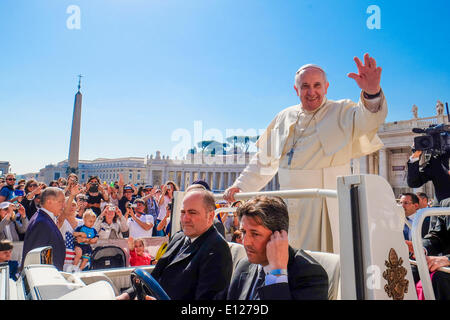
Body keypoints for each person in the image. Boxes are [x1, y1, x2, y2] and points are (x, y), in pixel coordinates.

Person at [224, 54, 387, 253]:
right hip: (289, 205)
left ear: (326, 87)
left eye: (317, 85)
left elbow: (369, 121)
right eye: (305, 86)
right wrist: (240, 186)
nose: (312, 92)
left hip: (327, 205)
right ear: (296, 89)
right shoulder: (284, 116)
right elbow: (264, 161)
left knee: (328, 263)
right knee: (291, 263)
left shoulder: (343, 111)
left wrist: (371, 92)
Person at [117, 189, 233, 300]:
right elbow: (157, 274)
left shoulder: (217, 250)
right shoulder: (179, 237)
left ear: (210, 216)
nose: (185, 218)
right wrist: (127, 295)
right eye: (183, 212)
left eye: (192, 212)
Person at [227, 195, 328, 300]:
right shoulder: (244, 265)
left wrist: (277, 273)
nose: (245, 242)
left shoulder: (310, 275)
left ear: (279, 236)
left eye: (255, 234)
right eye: (243, 232)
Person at [21, 187, 67, 271]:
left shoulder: (44, 218)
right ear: (49, 202)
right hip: (44, 277)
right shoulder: (41, 223)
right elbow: (36, 257)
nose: (64, 205)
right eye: (61, 201)